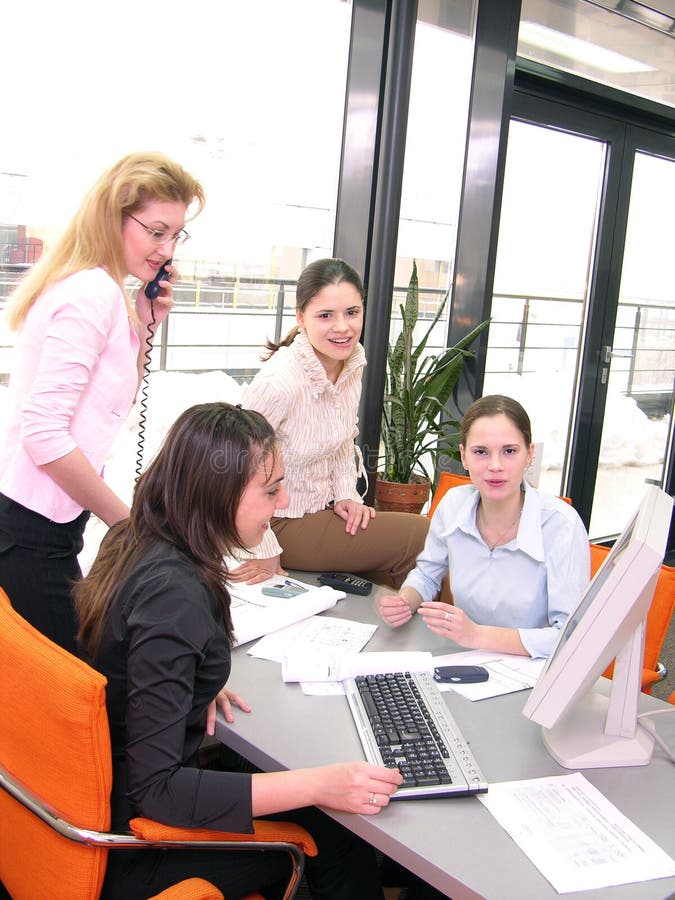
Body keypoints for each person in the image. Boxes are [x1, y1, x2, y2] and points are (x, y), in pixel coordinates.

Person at [75, 402, 402, 900]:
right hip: (135, 845)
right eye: (270, 490)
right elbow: (159, 790)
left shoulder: (132, 538)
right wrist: (318, 786)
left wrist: (180, 683)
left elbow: (129, 654)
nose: (283, 501)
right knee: (334, 829)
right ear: (216, 493)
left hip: (94, 795)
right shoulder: (175, 595)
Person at [0, 151, 205, 652]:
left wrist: (146, 318)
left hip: (37, 521)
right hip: (31, 529)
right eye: (156, 231)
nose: (166, 249)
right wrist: (126, 523)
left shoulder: (101, 289)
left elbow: (110, 401)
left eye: (176, 235)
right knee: (78, 690)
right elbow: (44, 435)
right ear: (113, 216)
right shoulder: (91, 292)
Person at [233, 257, 429, 588]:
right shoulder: (279, 382)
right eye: (326, 315)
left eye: (352, 312)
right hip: (277, 523)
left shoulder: (351, 363)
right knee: (421, 534)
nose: (343, 327)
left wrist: (347, 496)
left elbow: (341, 442)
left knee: (392, 573)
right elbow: (236, 474)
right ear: (301, 318)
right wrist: (263, 550)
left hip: (322, 510)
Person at [377, 394, 590, 659]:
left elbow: (570, 637)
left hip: (532, 673)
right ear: (463, 456)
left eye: (509, 451)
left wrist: (476, 634)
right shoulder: (453, 505)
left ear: (529, 455)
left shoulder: (561, 525)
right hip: (465, 656)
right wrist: (405, 601)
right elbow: (428, 574)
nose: (495, 466)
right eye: (481, 452)